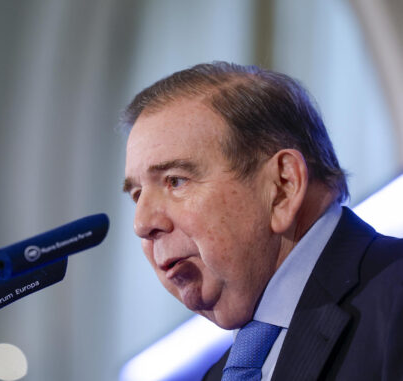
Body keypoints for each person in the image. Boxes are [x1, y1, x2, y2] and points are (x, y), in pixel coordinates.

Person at [121, 62, 403, 380]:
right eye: (136, 194)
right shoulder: (217, 374)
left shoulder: (395, 298)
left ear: (283, 186)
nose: (142, 224)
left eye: (176, 181)